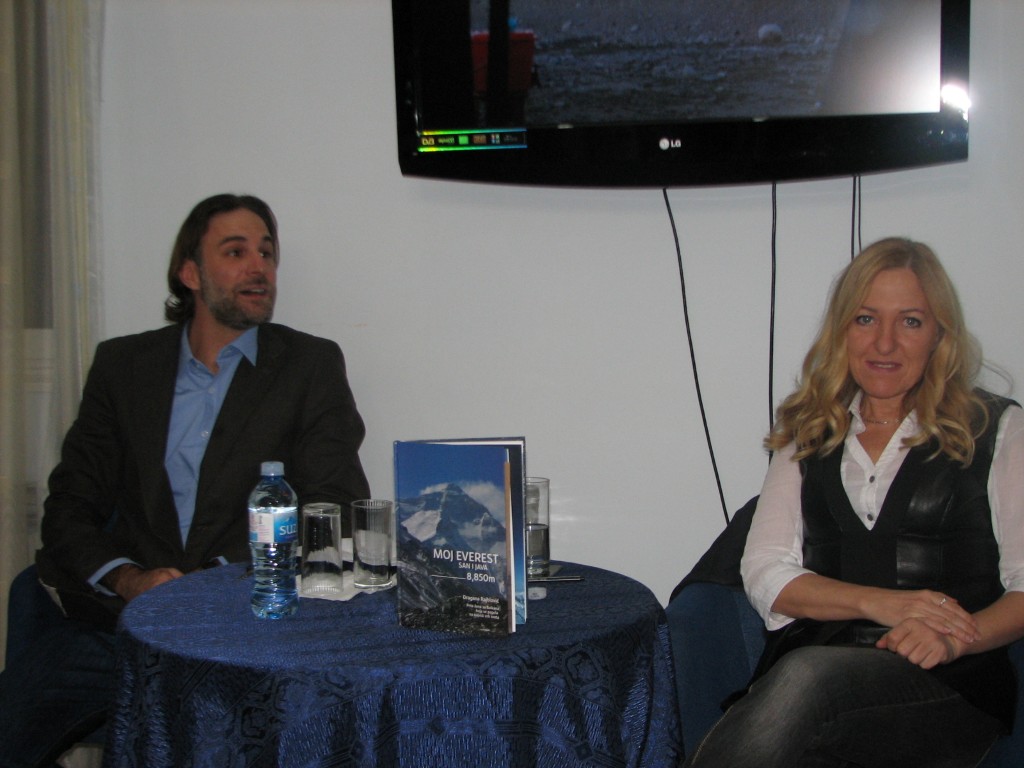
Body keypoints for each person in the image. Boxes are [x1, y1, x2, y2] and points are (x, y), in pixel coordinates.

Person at [0, 193, 371, 767]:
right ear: (190, 273)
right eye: (236, 252)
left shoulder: (308, 366)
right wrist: (128, 580)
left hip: (244, 624)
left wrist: (210, 583)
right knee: (18, 715)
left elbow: (334, 507)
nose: (259, 268)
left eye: (267, 253)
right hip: (120, 629)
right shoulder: (123, 367)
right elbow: (69, 507)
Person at [687, 238, 1024, 767]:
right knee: (808, 690)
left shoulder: (997, 427)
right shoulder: (808, 431)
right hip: (817, 685)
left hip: (945, 685)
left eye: (910, 321)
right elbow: (767, 573)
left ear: (939, 335)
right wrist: (881, 603)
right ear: (842, 330)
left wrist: (958, 640)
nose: (884, 343)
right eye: (866, 319)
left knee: (806, 677)